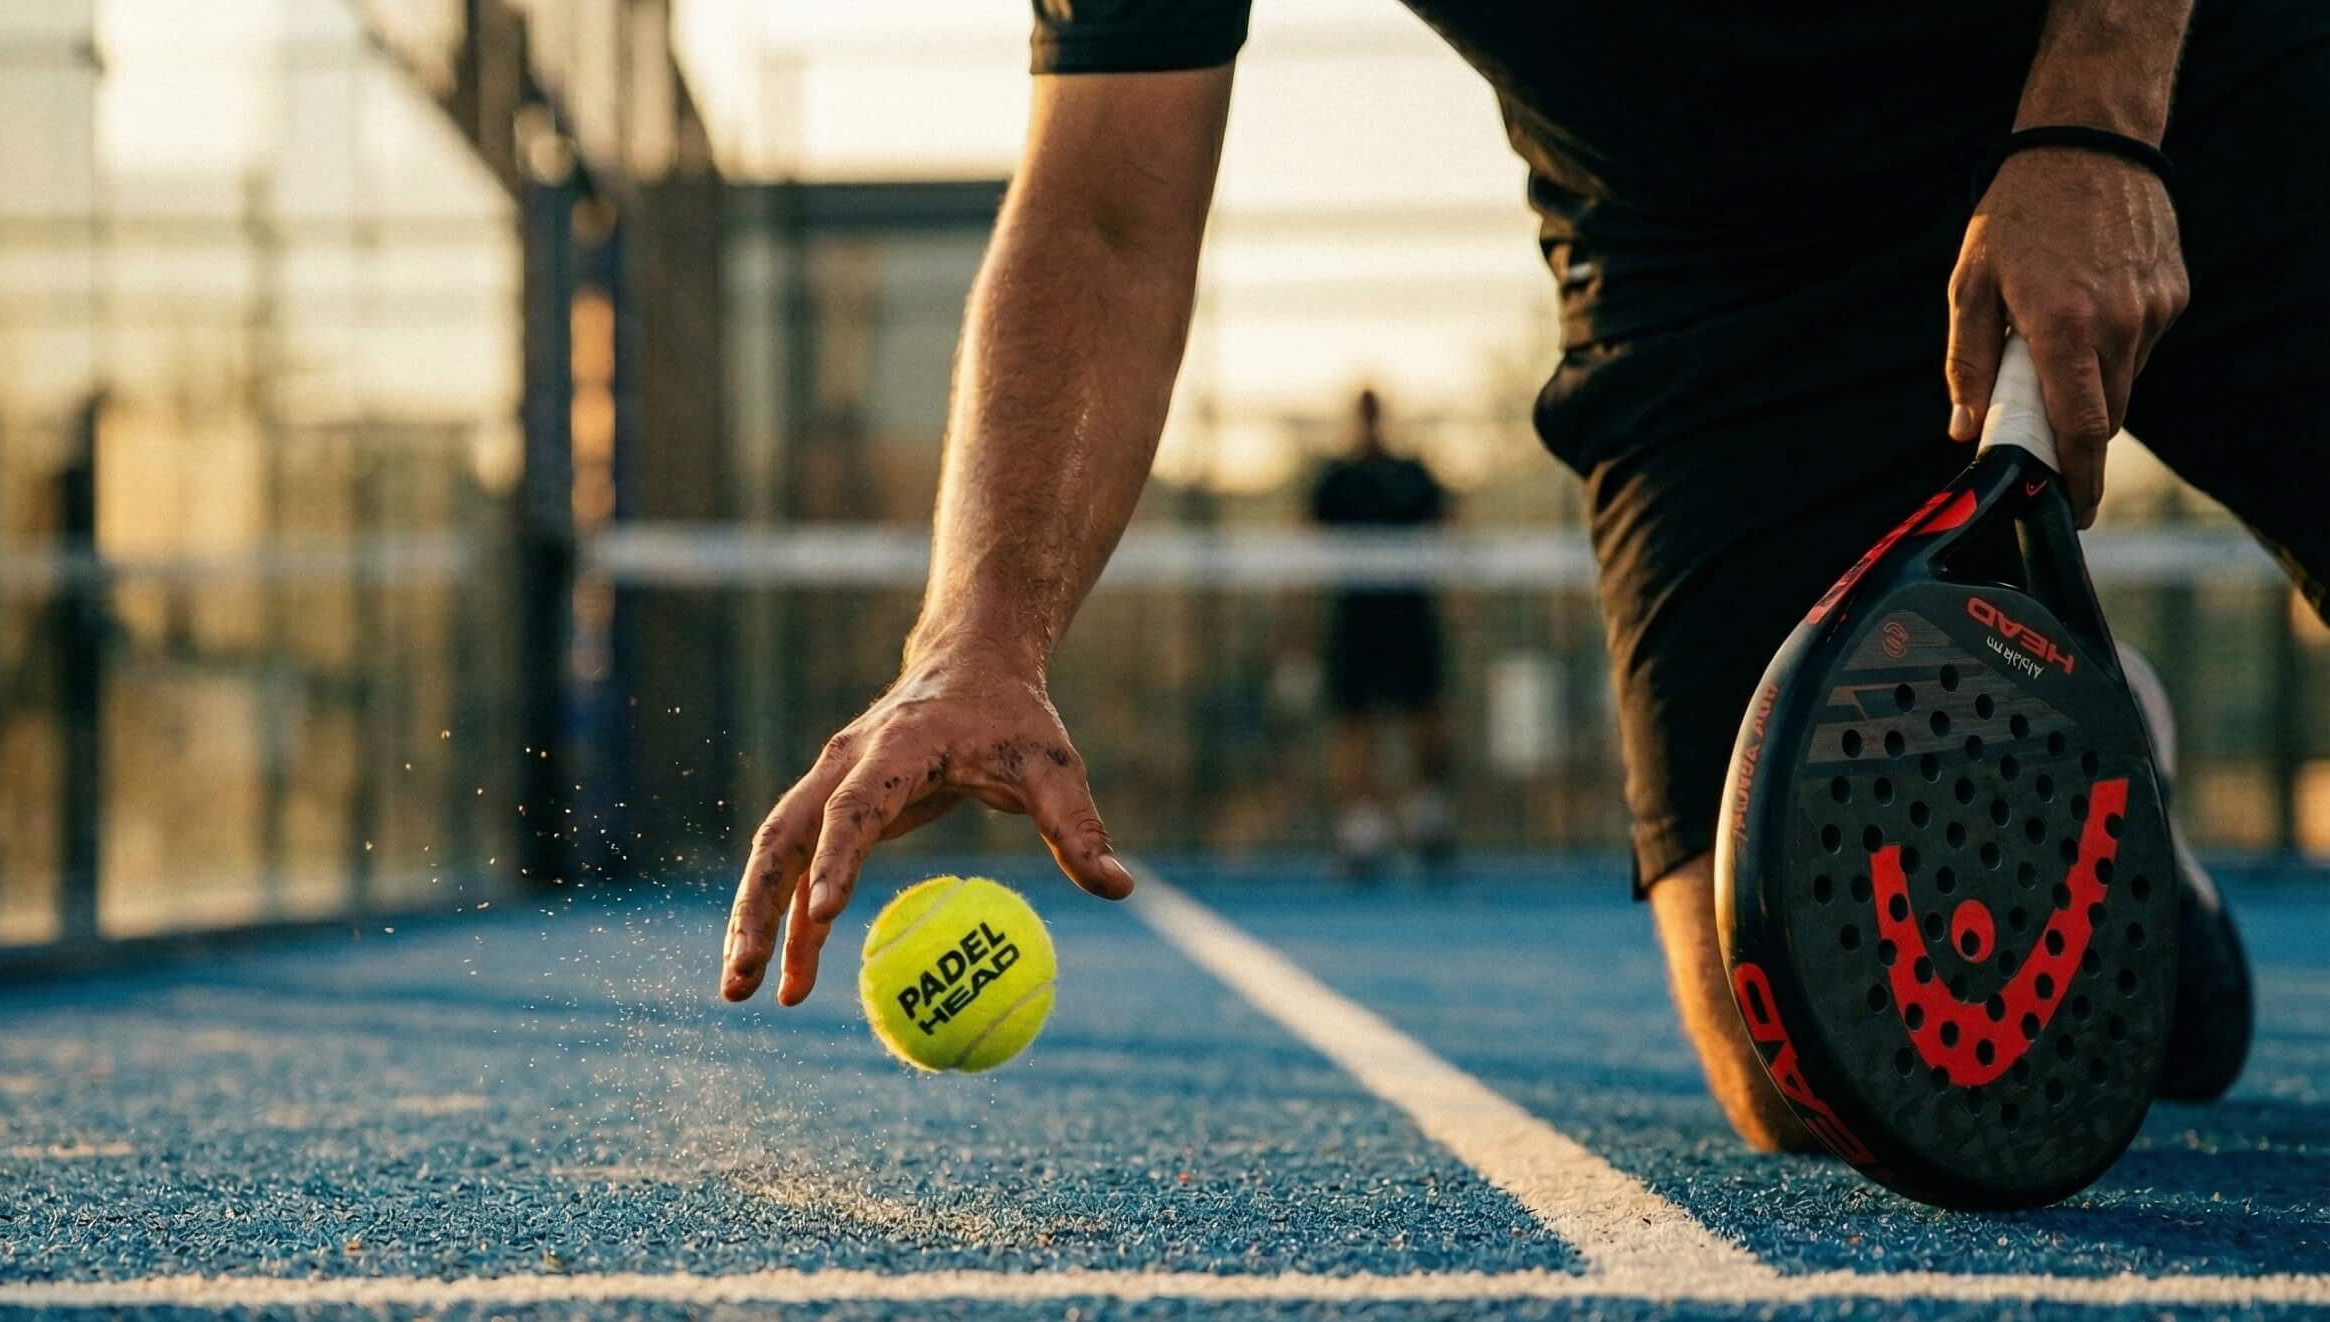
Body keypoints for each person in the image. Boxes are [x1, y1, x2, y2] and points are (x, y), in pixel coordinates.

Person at [717, 0, 2296, 1149]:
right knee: (1806, 1054)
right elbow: (1113, 204)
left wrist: (2095, 115)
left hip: (2173, 68)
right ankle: (2113, 784)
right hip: (1706, 253)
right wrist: (975, 640)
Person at [1311, 388, 1453, 879]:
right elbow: (1303, 544)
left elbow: (1452, 532)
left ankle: (1428, 821)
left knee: (1426, 721)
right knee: (1355, 726)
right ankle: (1362, 832)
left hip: (1411, 618)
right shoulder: (1335, 480)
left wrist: (1460, 602)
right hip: (1355, 622)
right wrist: (1296, 628)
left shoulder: (1413, 476)